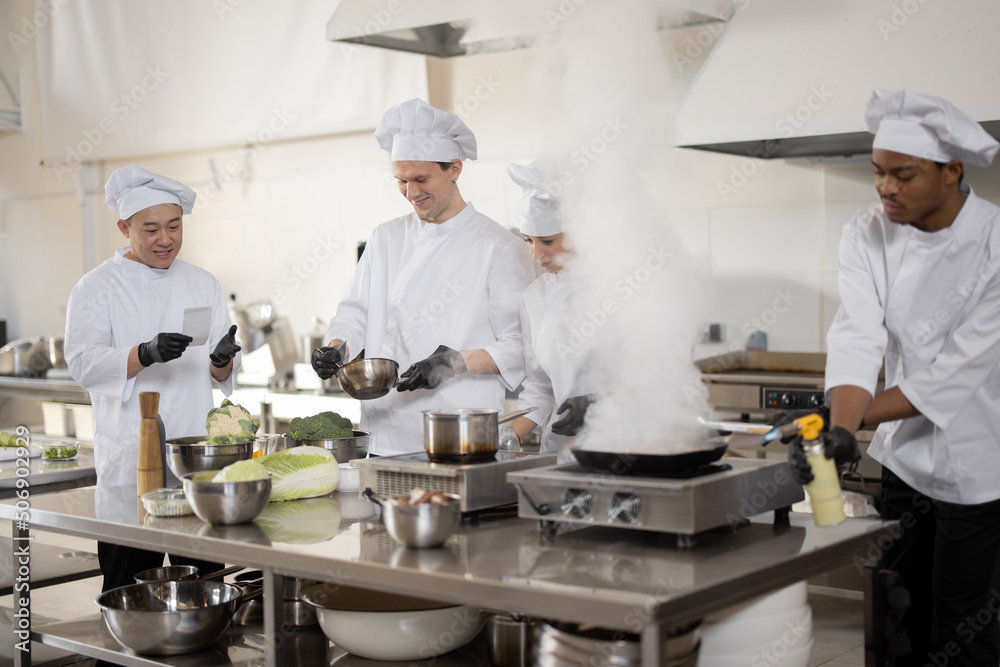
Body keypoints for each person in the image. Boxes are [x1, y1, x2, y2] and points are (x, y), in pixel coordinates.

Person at [795, 89, 1000, 666]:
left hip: (984, 469)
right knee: (894, 610)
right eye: (878, 173)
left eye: (903, 175)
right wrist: (841, 429)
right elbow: (859, 334)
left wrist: (848, 422)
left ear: (952, 171)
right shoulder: (867, 233)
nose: (885, 187)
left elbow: (953, 373)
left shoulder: (994, 241)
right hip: (908, 459)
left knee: (963, 626)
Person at [312, 99, 535, 456]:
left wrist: (456, 361)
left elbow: (521, 345)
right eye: (401, 180)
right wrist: (337, 345)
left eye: (421, 179)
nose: (411, 193)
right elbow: (354, 312)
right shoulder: (386, 237)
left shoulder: (499, 247)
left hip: (456, 436)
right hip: (382, 435)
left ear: (455, 169)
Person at [64, 166, 242, 593]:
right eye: (151, 229)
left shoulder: (203, 283)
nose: (166, 239)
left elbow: (222, 374)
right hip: (130, 464)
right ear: (124, 227)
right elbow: (82, 363)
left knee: (204, 586)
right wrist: (142, 354)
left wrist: (222, 361)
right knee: (128, 586)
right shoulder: (95, 288)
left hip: (195, 465)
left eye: (175, 226)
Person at [506, 161, 598, 456]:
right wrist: (505, 440)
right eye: (529, 241)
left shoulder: (622, 287)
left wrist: (598, 403)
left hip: (625, 447)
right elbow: (541, 389)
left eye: (547, 241)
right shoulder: (534, 297)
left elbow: (653, 375)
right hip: (561, 454)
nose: (537, 254)